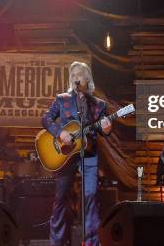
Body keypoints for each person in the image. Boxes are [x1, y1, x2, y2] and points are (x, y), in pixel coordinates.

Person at [42, 61, 111, 246]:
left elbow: (102, 129)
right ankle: (57, 242)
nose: (75, 78)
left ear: (87, 78)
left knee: (91, 196)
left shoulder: (98, 105)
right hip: (65, 156)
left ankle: (90, 243)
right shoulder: (62, 99)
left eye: (78, 75)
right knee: (61, 196)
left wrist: (106, 128)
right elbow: (46, 118)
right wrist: (60, 133)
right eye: (72, 76)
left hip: (89, 154)